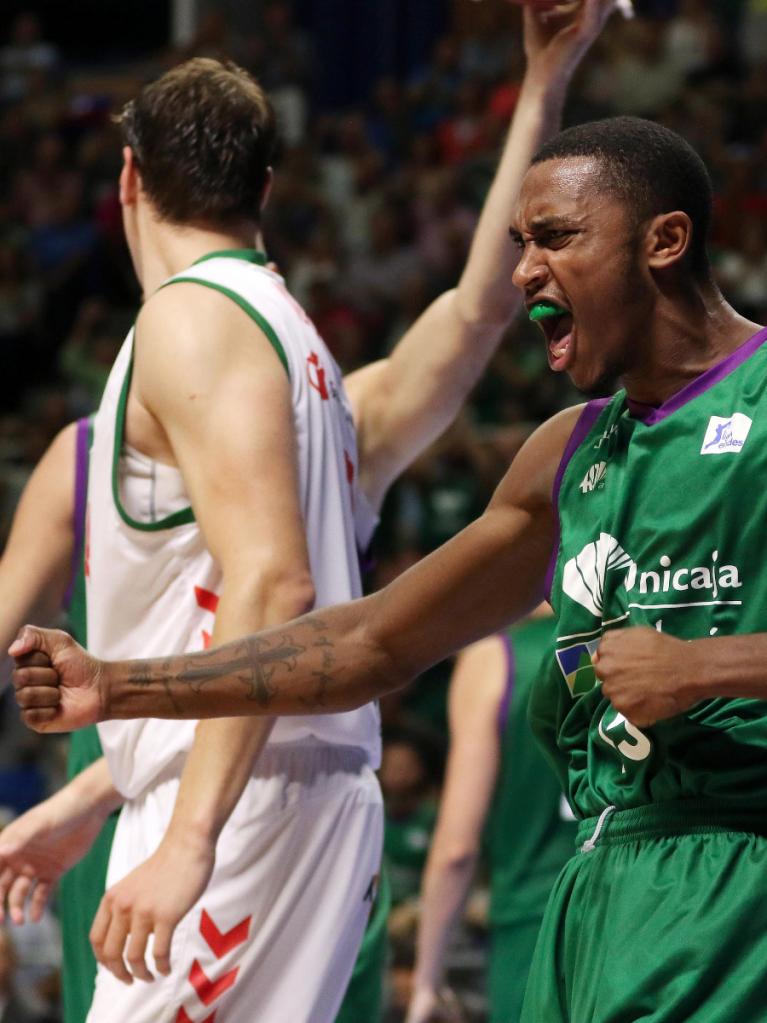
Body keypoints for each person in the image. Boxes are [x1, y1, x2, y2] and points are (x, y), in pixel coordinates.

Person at [19, 107, 767, 1022]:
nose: (527, 268)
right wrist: (121, 684)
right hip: (599, 891)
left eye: (557, 238)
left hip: (742, 874)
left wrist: (709, 665)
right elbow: (373, 642)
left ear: (665, 240)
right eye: (519, 243)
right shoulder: (566, 453)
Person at [405, 611, 576, 1023]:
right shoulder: (633, 637)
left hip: (536, 932)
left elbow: (457, 849)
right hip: (643, 911)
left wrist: (426, 977)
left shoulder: (497, 658)